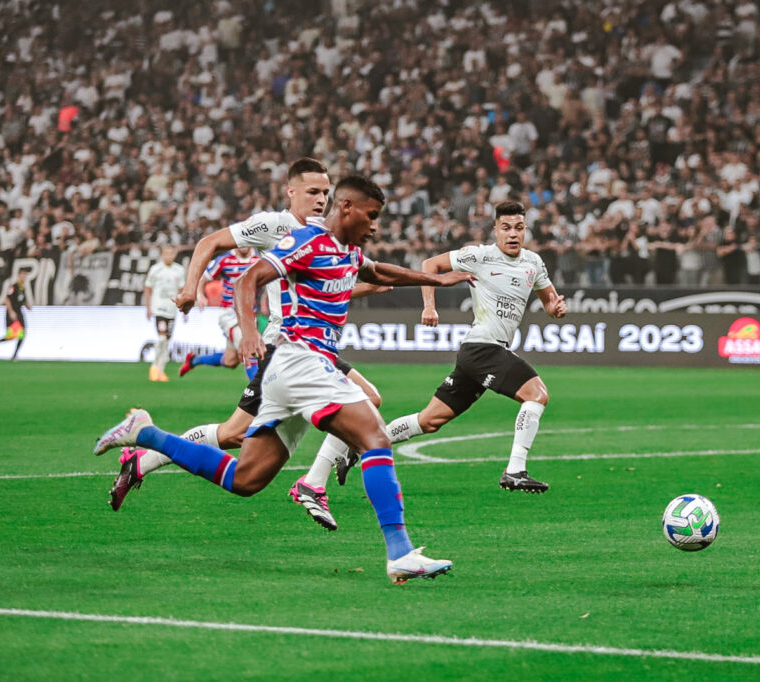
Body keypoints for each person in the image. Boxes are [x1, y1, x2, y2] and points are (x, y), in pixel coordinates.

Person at [94, 175, 476, 583]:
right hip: (299, 361)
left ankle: (147, 434)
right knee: (375, 436)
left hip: (299, 370)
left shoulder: (348, 251)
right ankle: (399, 551)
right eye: (372, 215)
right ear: (347, 208)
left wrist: (435, 280)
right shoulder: (306, 241)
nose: (375, 225)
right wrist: (249, 333)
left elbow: (379, 271)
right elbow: (248, 279)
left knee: (246, 479)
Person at [108, 159, 382, 532]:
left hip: (312, 349)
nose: (321, 200)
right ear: (292, 192)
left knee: (236, 433)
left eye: (325, 193)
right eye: (312, 192)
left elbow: (333, 286)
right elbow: (210, 242)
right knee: (235, 434)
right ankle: (311, 485)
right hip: (281, 348)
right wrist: (192, 287)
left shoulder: (329, 234)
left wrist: (374, 282)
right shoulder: (274, 225)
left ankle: (144, 458)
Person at [380, 200, 567, 493]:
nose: (513, 234)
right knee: (536, 394)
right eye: (506, 228)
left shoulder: (533, 263)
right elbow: (430, 265)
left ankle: (361, 444)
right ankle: (516, 469)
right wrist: (429, 307)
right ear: (496, 230)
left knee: (429, 420)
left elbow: (550, 302)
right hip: (483, 348)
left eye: (519, 227)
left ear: (525, 229)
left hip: (480, 354)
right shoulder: (479, 255)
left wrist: (556, 308)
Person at [178, 246, 261, 381]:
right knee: (249, 351)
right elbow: (203, 278)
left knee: (230, 361)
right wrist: (200, 295)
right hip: (230, 314)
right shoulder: (225, 259)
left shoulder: (259, 258)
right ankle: (258, 396)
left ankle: (194, 360)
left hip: (250, 316)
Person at [143, 245, 186, 382]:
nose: (169, 256)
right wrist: (148, 307)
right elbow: (148, 288)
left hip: (171, 310)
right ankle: (154, 367)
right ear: (161, 255)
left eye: (171, 253)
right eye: (166, 253)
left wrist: (184, 309)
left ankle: (161, 370)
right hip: (159, 308)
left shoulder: (179, 270)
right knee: (161, 338)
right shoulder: (155, 270)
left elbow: (181, 291)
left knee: (167, 341)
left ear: (174, 255)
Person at [0, 267, 31, 360]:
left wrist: (27, 305)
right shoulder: (14, 286)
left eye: (25, 275)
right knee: (12, 335)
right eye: (23, 274)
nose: (24, 277)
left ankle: (14, 355)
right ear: (19, 275)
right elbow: (6, 299)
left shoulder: (22, 288)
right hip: (12, 313)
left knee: (22, 334)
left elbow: (20, 300)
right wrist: (11, 312)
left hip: (19, 313)